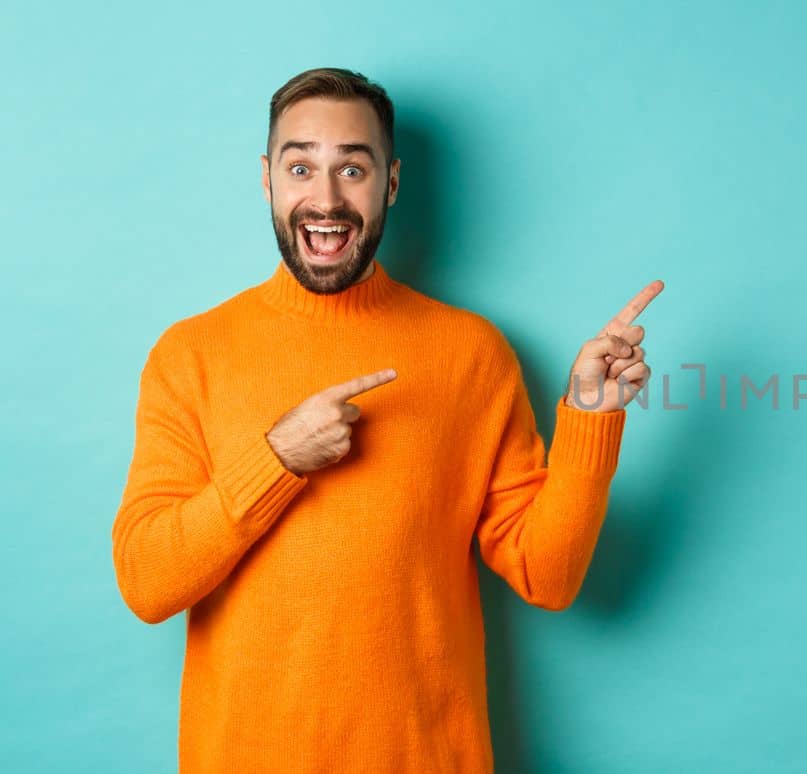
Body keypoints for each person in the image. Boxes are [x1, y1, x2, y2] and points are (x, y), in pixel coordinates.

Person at [110, 66, 661, 773]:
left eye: (353, 169)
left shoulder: (473, 353)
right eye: (301, 166)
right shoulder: (191, 355)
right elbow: (147, 582)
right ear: (267, 180)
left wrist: (589, 421)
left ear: (392, 184)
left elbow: (546, 578)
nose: (326, 198)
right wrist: (277, 459)